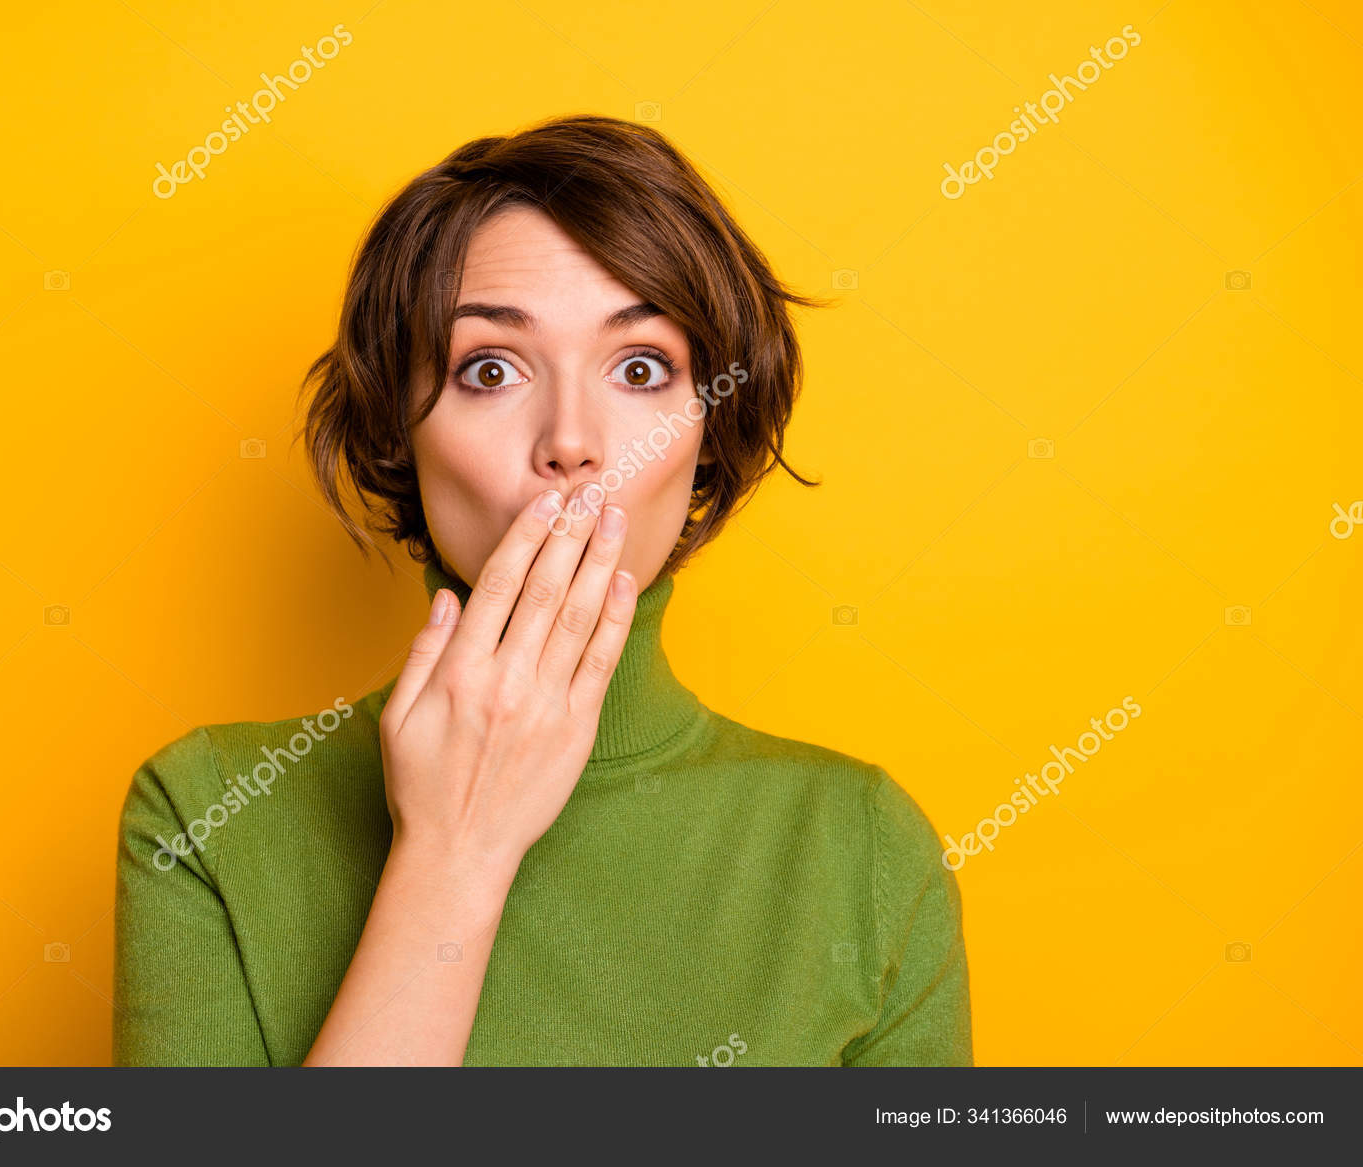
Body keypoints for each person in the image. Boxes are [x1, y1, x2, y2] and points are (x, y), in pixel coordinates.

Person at [113, 114, 972, 1066]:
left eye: (641, 368)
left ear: (706, 443)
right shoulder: (207, 813)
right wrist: (453, 851)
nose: (571, 439)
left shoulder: (858, 846)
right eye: (489, 368)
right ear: (399, 431)